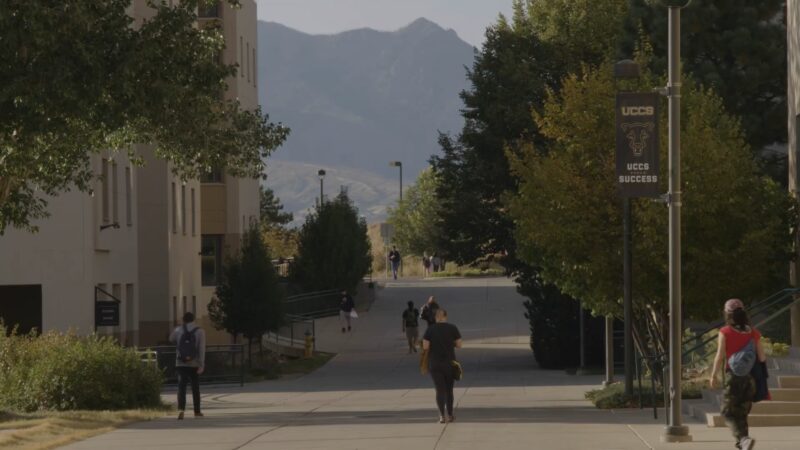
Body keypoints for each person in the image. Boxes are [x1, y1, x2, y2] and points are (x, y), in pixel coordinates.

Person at [709, 298, 766, 450]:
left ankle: (743, 439)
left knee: (727, 411)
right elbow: (762, 357)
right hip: (750, 379)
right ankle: (742, 443)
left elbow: (720, 356)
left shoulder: (725, 331)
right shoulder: (753, 332)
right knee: (741, 412)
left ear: (727, 314)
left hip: (733, 377)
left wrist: (713, 375)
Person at [423, 308, 462, 423]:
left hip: (435, 364)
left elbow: (425, 346)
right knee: (449, 390)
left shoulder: (430, 330)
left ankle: (441, 416)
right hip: (450, 364)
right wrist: (451, 343)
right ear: (445, 317)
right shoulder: (452, 328)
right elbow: (459, 345)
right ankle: (450, 415)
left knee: (439, 390)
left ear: (436, 317)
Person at [169, 311, 206, 420]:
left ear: (183, 320)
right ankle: (197, 411)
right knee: (195, 387)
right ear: (194, 319)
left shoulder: (179, 329)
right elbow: (201, 349)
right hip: (194, 363)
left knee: (181, 387)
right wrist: (201, 364)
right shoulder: (200, 331)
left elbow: (171, 339)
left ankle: (181, 410)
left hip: (181, 362)